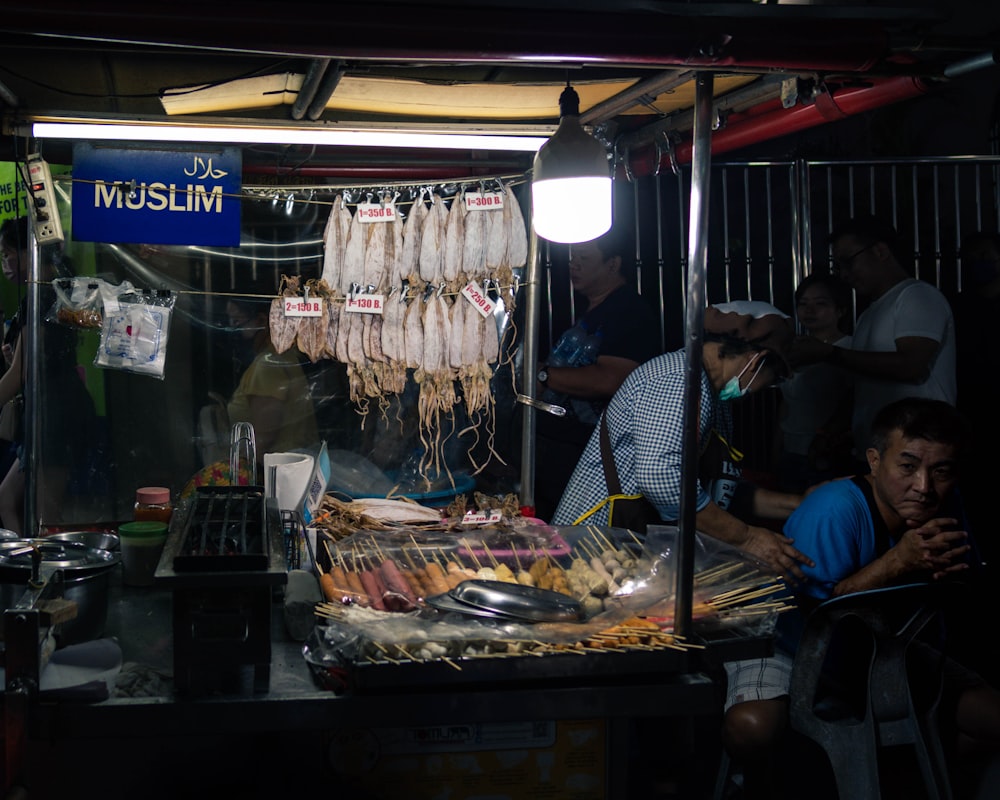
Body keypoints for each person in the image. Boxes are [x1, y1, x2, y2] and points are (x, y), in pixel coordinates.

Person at [723, 397, 1000, 799]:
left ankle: (903, 768)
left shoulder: (944, 502)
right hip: (787, 643)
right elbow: (815, 618)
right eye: (907, 467)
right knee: (751, 727)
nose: (923, 488)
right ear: (874, 460)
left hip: (881, 649)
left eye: (940, 471)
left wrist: (952, 576)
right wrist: (896, 564)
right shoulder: (835, 508)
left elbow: (968, 587)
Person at [551, 300, 814, 579]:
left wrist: (799, 504)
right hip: (591, 547)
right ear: (758, 360)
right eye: (773, 380)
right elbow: (660, 478)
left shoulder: (714, 397)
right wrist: (745, 537)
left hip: (628, 552)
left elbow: (719, 488)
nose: (764, 390)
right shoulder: (677, 379)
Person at [533, 227, 660, 521]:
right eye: (572, 257)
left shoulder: (628, 311)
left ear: (612, 264)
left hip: (587, 455)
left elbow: (610, 379)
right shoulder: (594, 311)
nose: (573, 264)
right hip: (559, 449)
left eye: (584, 257)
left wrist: (542, 376)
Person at [0, 216, 98, 534]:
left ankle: (45, 575)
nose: (5, 261)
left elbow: (21, 373)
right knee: (8, 499)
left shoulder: (41, 295)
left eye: (7, 252)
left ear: (29, 251)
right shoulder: (51, 291)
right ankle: (24, 569)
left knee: (45, 513)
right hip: (55, 407)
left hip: (56, 413)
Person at [223, 289, 319, 476]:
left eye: (236, 322)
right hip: (291, 468)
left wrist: (250, 479)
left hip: (278, 473)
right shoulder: (281, 356)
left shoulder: (267, 365)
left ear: (260, 321)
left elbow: (264, 437)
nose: (232, 329)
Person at [773, 272, 854, 492]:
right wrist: (776, 446)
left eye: (820, 303)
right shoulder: (793, 349)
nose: (809, 310)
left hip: (827, 452)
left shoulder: (850, 349)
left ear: (841, 310)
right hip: (791, 449)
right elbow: (787, 402)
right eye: (803, 304)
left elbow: (854, 400)